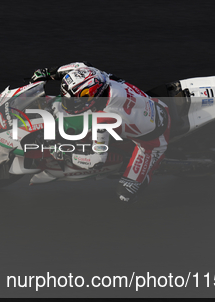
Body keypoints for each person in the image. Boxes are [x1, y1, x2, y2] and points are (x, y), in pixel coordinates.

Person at [30, 62, 170, 203]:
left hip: (152, 142)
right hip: (153, 104)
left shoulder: (105, 117)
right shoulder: (100, 77)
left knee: (125, 193)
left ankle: (155, 165)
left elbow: (96, 161)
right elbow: (80, 65)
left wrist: (65, 154)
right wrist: (47, 73)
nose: (68, 104)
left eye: (74, 101)